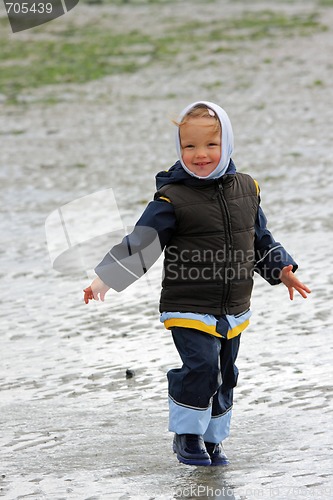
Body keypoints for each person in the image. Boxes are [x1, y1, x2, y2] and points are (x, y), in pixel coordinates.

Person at [83, 101, 311, 467]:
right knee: (201, 367)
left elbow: (259, 239)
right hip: (187, 303)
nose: (200, 155)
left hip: (233, 306)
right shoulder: (173, 197)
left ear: (228, 145)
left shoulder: (247, 188)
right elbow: (141, 242)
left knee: (226, 373)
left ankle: (213, 439)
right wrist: (104, 280)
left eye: (210, 145)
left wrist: (282, 270)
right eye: (189, 147)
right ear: (179, 149)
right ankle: (187, 435)